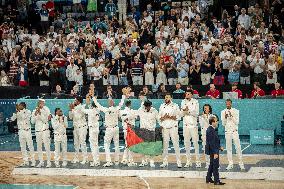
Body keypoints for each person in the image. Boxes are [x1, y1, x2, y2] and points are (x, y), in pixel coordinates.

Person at [93, 92, 125, 167]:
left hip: (109, 129)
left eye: (109, 101)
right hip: (116, 128)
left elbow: (98, 105)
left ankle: (109, 161)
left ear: (109, 103)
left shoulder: (106, 110)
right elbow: (121, 103)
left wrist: (94, 98)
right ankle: (116, 161)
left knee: (106, 145)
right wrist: (123, 96)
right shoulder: (117, 108)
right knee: (116, 144)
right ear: (113, 103)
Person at [159, 93, 182, 168]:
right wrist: (164, 117)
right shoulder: (162, 106)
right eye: (165, 97)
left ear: (171, 98)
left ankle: (179, 162)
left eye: (168, 97)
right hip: (165, 128)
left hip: (173, 127)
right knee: (165, 146)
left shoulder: (175, 105)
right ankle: (165, 162)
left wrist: (172, 117)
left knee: (176, 145)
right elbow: (159, 117)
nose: (166, 98)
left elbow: (179, 116)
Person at [221, 99, 245, 170]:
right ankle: (230, 164)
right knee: (228, 149)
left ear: (231, 103)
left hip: (235, 132)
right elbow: (223, 124)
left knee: (238, 148)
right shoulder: (223, 112)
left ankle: (241, 163)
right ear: (225, 104)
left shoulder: (236, 111)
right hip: (227, 132)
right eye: (226, 103)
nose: (228, 104)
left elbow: (237, 122)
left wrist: (231, 116)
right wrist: (225, 118)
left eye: (229, 103)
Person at [11, 102, 36, 167]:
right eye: (18, 106)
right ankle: (25, 161)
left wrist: (18, 111)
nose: (18, 106)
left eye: (19, 105)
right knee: (23, 147)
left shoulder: (28, 111)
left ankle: (33, 161)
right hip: (20, 131)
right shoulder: (17, 112)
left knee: (30, 146)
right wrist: (16, 112)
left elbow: (24, 117)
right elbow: (12, 119)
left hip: (27, 131)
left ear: (23, 106)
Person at [181, 89, 201, 168]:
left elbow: (196, 113)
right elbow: (182, 113)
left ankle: (198, 161)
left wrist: (188, 111)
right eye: (186, 94)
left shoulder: (195, 102)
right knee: (186, 144)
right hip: (185, 125)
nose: (187, 95)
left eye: (188, 94)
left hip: (193, 125)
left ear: (191, 95)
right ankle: (188, 161)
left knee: (195, 143)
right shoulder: (183, 102)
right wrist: (186, 111)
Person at [136, 100, 159, 168]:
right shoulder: (140, 110)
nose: (148, 108)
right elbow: (135, 115)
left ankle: (151, 162)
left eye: (149, 106)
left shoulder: (155, 111)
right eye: (146, 107)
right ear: (144, 106)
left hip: (151, 131)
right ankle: (143, 161)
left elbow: (158, 119)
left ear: (151, 106)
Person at [31, 99, 52, 168]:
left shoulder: (46, 109)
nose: (41, 104)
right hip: (38, 131)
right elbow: (32, 122)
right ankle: (41, 162)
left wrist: (40, 114)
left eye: (42, 103)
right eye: (40, 103)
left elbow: (45, 120)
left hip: (45, 131)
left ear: (44, 103)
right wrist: (35, 114)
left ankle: (49, 162)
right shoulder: (34, 111)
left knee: (47, 147)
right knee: (39, 147)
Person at [205, 115, 225, 185]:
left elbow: (215, 141)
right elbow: (212, 143)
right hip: (213, 151)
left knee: (212, 165)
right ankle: (216, 181)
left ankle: (208, 178)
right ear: (212, 122)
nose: (217, 122)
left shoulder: (212, 129)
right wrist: (215, 153)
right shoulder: (210, 130)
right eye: (216, 121)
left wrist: (219, 147)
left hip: (213, 150)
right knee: (215, 166)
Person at [69, 96, 88, 164]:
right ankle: (76, 158)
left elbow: (78, 117)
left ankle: (85, 158)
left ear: (78, 101)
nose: (74, 101)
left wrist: (72, 109)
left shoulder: (81, 107)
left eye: (75, 100)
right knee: (76, 144)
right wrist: (70, 110)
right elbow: (71, 117)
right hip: (76, 128)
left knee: (82, 143)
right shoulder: (74, 108)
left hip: (82, 127)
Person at [84, 95, 101, 167]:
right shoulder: (98, 110)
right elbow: (92, 106)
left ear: (92, 106)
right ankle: (97, 160)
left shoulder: (90, 111)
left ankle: (95, 161)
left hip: (92, 129)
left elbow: (82, 110)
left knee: (93, 146)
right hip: (96, 129)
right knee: (96, 145)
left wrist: (86, 102)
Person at [120, 100, 137, 166]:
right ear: (130, 104)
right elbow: (136, 117)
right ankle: (130, 161)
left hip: (125, 130)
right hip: (130, 130)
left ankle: (124, 159)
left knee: (127, 144)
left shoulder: (122, 112)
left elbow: (121, 118)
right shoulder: (132, 111)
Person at [199, 104, 212, 168]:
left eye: (206, 108)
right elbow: (202, 125)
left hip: (211, 134)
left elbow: (211, 124)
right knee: (205, 149)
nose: (205, 109)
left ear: (209, 109)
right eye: (204, 108)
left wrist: (206, 118)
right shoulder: (201, 117)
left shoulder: (212, 116)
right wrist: (203, 117)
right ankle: (207, 163)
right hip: (204, 134)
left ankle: (213, 163)